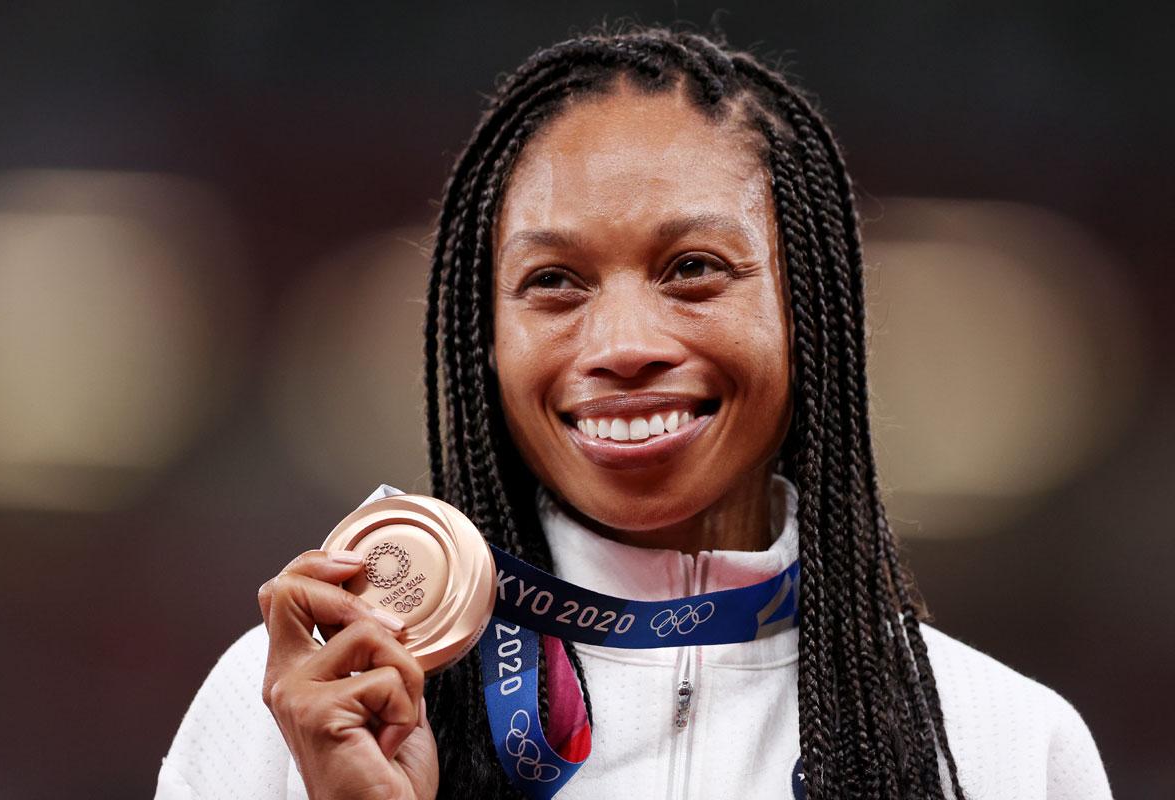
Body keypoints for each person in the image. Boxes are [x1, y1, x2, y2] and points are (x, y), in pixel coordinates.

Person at [156, 26, 1113, 800]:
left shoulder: (1005, 749)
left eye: (693, 269)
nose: (620, 345)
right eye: (555, 282)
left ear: (807, 312)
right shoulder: (301, 707)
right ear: (485, 336)